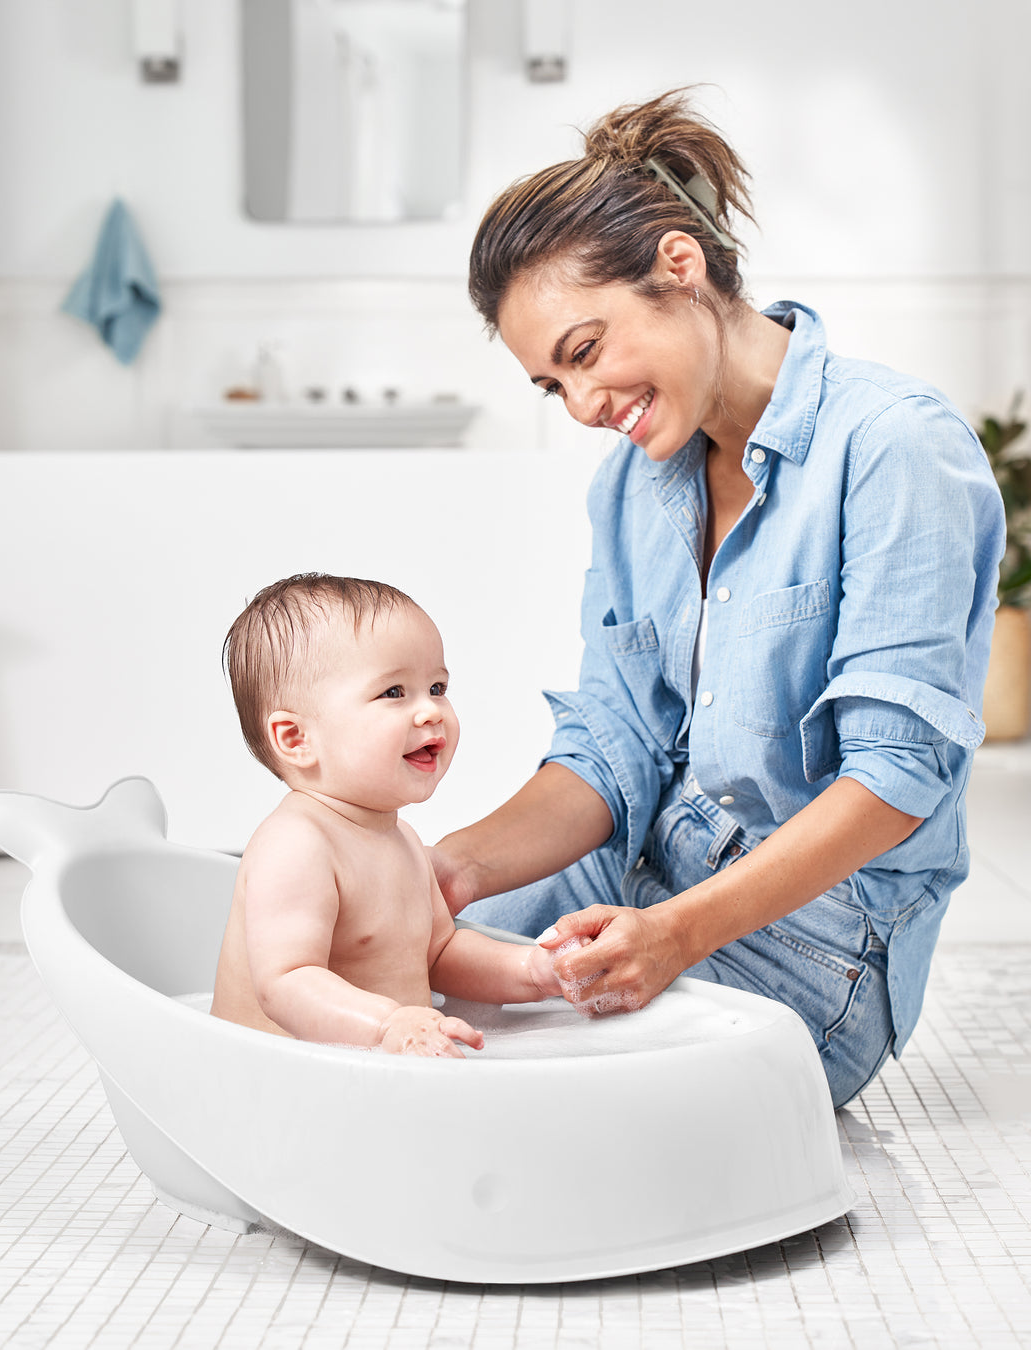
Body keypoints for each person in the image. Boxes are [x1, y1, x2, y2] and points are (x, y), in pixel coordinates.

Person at [431, 89, 1007, 1106]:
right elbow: (614, 746)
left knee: (518, 1092)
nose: (583, 406)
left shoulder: (894, 447)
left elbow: (898, 777)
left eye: (585, 352)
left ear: (679, 266)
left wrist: (677, 933)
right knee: (380, 981)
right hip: (646, 864)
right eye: (553, 385)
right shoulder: (631, 486)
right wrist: (452, 867)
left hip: (820, 937)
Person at [210, 573, 563, 1057]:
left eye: (436, 687)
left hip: (376, 1071)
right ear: (296, 739)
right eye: (394, 692)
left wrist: (533, 970)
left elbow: (440, 954)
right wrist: (387, 1025)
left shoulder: (404, 842)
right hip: (273, 1077)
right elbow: (286, 982)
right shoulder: (295, 845)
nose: (431, 711)